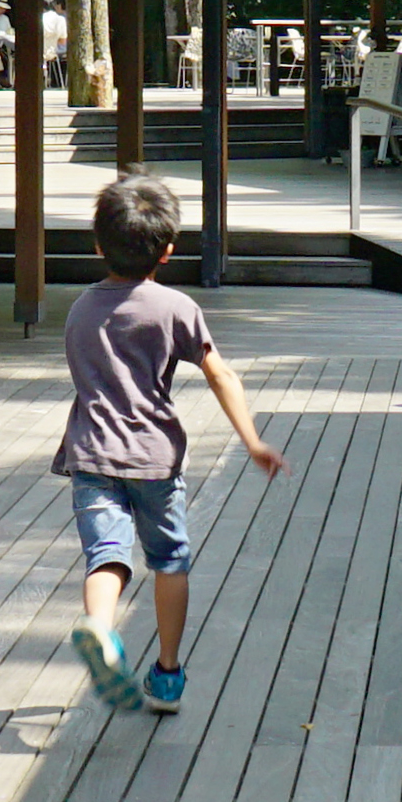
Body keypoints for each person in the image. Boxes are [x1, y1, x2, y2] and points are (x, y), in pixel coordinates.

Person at [51, 171, 280, 720]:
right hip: (155, 460)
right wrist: (251, 440)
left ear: (97, 244)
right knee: (170, 561)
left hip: (92, 457)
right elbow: (221, 375)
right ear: (168, 251)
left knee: (106, 558)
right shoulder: (175, 308)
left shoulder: (81, 309)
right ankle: (169, 673)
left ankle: (102, 632)